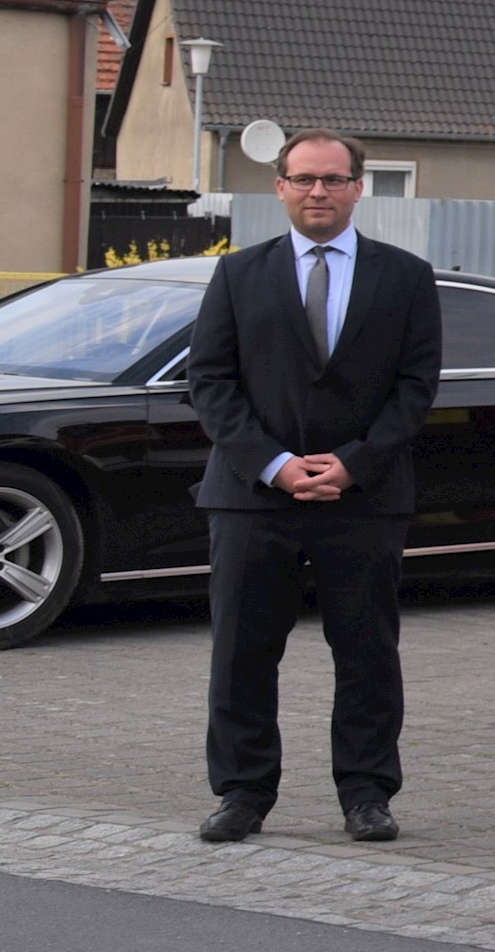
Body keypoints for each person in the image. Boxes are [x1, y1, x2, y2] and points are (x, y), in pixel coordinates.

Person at [186, 131, 444, 845]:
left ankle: (366, 793)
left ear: (359, 186)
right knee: (241, 651)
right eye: (303, 179)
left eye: (332, 180)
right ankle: (241, 791)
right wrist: (273, 463)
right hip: (251, 495)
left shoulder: (405, 277)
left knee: (365, 651)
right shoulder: (238, 275)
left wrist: (355, 463)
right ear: (280, 187)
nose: (318, 192)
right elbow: (209, 382)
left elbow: (417, 389)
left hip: (363, 498)